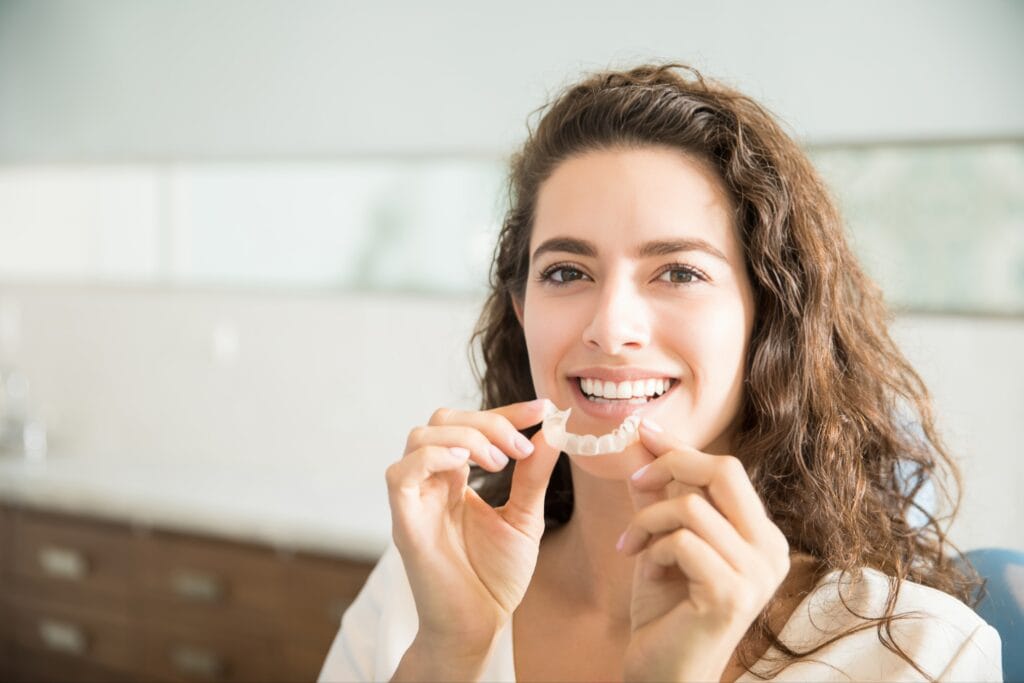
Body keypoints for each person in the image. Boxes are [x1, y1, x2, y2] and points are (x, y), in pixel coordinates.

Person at [318, 63, 1002, 682]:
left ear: (769, 318)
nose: (611, 327)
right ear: (522, 310)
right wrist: (446, 654)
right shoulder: (422, 588)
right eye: (566, 271)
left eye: (679, 271)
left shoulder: (919, 654)